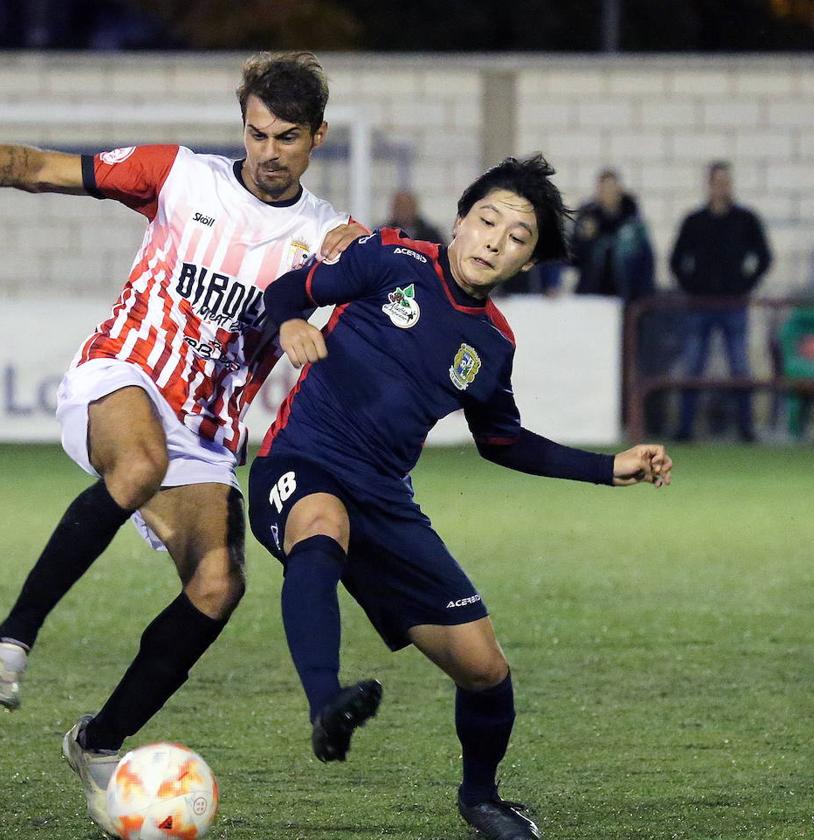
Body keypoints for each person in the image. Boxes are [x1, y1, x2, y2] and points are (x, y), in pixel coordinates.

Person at [0, 51, 365, 835]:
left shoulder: (324, 235)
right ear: (242, 126)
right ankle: (12, 639)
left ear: (317, 137)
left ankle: (98, 740)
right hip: (122, 378)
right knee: (140, 459)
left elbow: (384, 272)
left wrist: (365, 250)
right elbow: (30, 168)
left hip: (208, 437)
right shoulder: (180, 176)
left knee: (219, 586)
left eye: (288, 137)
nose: (269, 152)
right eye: (257, 133)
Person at [247, 155, 673, 840]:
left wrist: (607, 468)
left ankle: (481, 799)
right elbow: (289, 290)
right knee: (319, 531)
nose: (495, 241)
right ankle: (327, 702)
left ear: (526, 265)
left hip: (385, 501)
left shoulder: (493, 344)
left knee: (484, 668)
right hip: (301, 462)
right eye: (487, 221)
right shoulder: (392, 259)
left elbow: (502, 441)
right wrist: (294, 320)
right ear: (459, 222)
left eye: (516, 237)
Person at [670, 160, 772, 442]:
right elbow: (676, 260)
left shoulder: (745, 220)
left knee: (740, 367)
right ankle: (685, 429)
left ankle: (746, 430)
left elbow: (764, 257)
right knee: (692, 368)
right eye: (717, 182)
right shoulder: (695, 221)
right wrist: (691, 288)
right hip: (699, 306)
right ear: (709, 184)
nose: (721, 187)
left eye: (726, 182)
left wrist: (745, 285)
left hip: (733, 304)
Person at [571, 169, 655, 303]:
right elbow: (573, 260)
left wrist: (643, 296)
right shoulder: (588, 219)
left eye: (611, 188)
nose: (608, 193)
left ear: (620, 190)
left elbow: (647, 261)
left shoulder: (633, 223)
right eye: (603, 189)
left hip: (626, 295)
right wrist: (584, 239)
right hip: (593, 295)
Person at [381, 189, 445, 243]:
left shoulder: (431, 234)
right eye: (399, 207)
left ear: (414, 207)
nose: (403, 211)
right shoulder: (383, 234)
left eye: (406, 207)